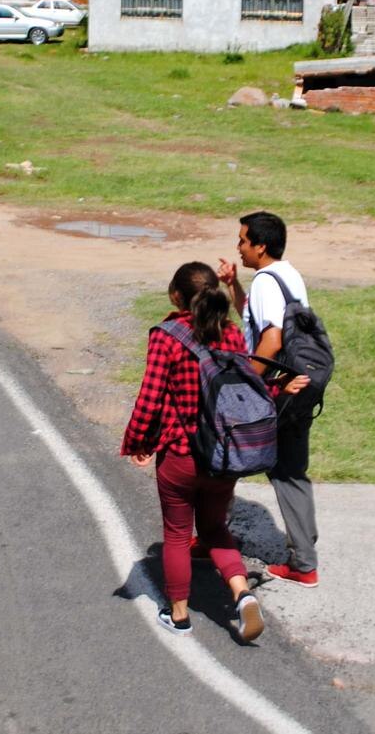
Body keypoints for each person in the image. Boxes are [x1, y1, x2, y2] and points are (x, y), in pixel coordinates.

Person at [121, 261, 307, 641]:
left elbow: (149, 400)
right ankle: (241, 593)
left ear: (176, 295)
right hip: (224, 454)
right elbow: (244, 390)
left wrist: (138, 442)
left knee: (176, 534)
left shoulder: (167, 336)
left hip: (180, 454)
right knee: (214, 527)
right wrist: (278, 390)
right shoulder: (231, 334)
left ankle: (179, 614)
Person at [218, 212, 319, 587]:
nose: (238, 246)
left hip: (278, 389)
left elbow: (271, 339)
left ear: (260, 246)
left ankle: (212, 536)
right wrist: (233, 286)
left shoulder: (265, 281)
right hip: (303, 387)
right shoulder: (287, 274)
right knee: (290, 471)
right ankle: (305, 565)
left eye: (243, 240)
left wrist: (246, 386)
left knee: (224, 456)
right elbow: (258, 320)